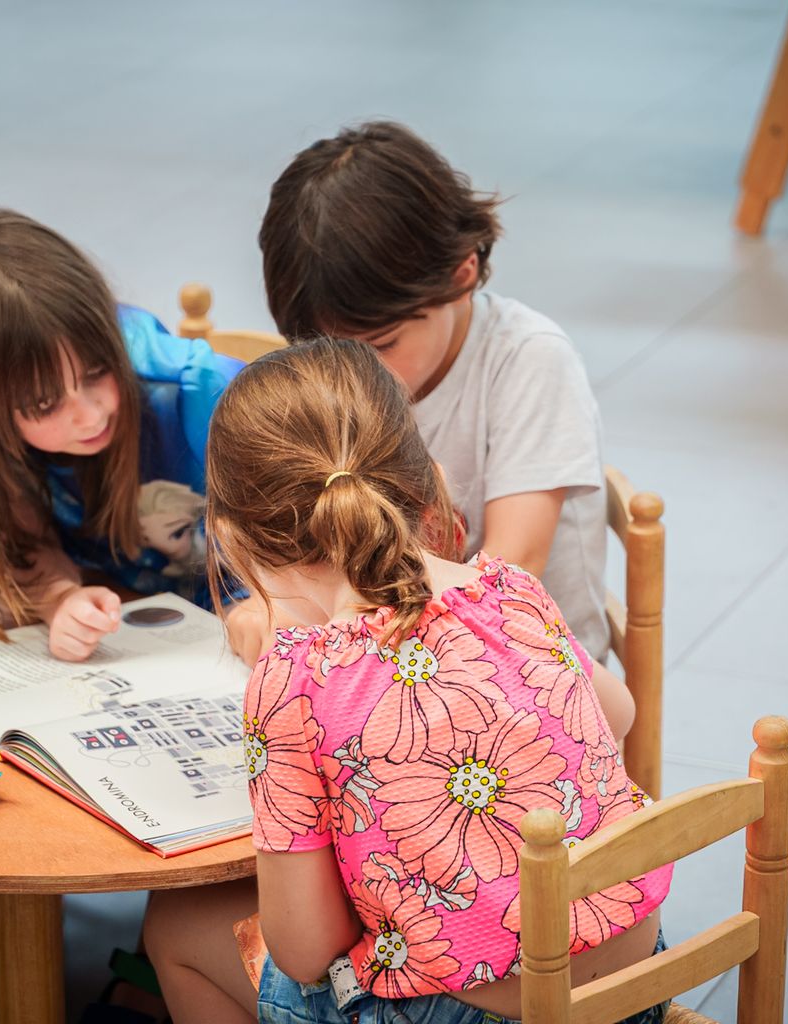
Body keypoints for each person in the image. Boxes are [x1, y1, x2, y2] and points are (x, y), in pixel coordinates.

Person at [144, 338, 671, 1024]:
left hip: (474, 1013)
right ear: (424, 480)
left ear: (236, 541)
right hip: (634, 988)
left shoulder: (292, 682)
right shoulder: (509, 588)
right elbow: (618, 712)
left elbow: (306, 952)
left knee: (174, 929)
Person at [259, 121, 611, 661]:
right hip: (389, 661)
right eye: (328, 349)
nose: (356, 374)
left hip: (534, 686)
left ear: (461, 273)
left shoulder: (529, 359)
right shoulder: (342, 372)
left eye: (382, 344)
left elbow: (512, 572)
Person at [0, 207, 245, 661]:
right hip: (149, 637)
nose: (89, 416)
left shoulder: (202, 393)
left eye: (96, 372)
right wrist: (59, 598)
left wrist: (260, 609)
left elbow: (323, 537)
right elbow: (15, 546)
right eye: (45, 404)